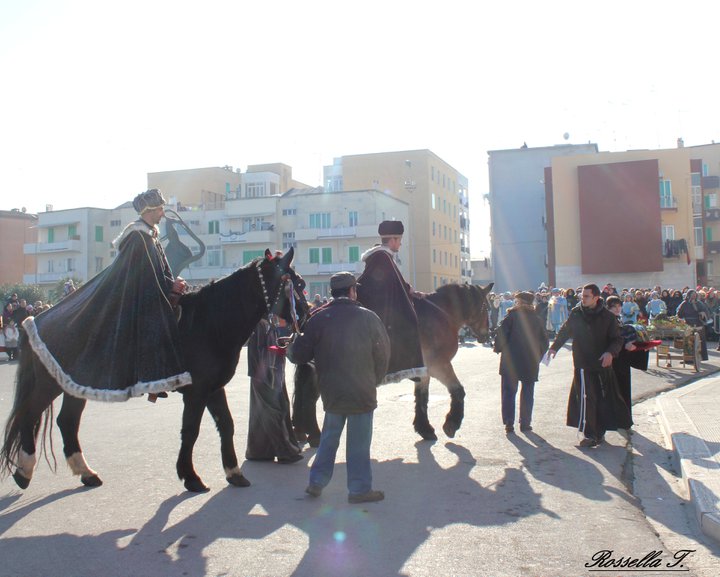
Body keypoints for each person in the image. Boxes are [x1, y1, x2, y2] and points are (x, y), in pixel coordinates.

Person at [23, 189, 192, 401]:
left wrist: (173, 283)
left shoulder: (150, 235)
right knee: (156, 323)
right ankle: (151, 378)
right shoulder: (138, 237)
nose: (162, 212)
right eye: (159, 208)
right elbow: (146, 275)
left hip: (148, 290)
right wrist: (170, 285)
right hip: (133, 297)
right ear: (149, 210)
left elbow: (159, 270)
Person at [288, 271, 390, 503]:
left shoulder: (319, 319)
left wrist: (292, 344)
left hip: (332, 392)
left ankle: (316, 483)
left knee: (328, 440)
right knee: (359, 444)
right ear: (353, 291)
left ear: (333, 293)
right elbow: (384, 352)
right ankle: (359, 489)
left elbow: (300, 355)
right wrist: (375, 379)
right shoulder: (369, 317)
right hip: (363, 392)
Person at [546, 284, 631, 448]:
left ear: (596, 297)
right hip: (583, 363)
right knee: (587, 398)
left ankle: (600, 432)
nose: (582, 299)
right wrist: (554, 347)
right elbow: (565, 331)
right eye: (582, 296)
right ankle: (591, 434)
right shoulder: (577, 313)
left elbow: (617, 339)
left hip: (602, 364)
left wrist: (610, 353)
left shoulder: (607, 317)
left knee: (603, 399)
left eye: (586, 296)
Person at [356, 220, 426, 383]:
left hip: (377, 302)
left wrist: (409, 290)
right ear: (393, 239)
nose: (400, 244)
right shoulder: (383, 257)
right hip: (379, 306)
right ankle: (406, 366)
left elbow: (395, 281)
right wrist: (409, 291)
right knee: (410, 319)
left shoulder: (381, 256)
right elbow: (395, 283)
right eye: (400, 240)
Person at [245, 315, 303, 463]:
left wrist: (280, 345)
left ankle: (259, 451)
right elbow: (259, 351)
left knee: (263, 412)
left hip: (269, 371)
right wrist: (279, 349)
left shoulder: (265, 322)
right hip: (265, 373)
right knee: (274, 410)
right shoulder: (260, 323)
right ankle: (285, 450)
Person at [493, 291, 548, 434]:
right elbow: (544, 341)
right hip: (530, 361)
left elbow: (501, 335)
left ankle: (509, 422)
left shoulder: (511, 317)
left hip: (511, 361)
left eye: (516, 301)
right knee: (528, 392)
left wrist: (498, 348)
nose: (514, 303)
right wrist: (538, 355)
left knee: (509, 392)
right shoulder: (537, 319)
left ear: (520, 302)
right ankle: (525, 423)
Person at [606, 296, 649, 426]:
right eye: (614, 307)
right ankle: (617, 420)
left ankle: (623, 420)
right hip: (613, 360)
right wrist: (625, 344)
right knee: (615, 391)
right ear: (608, 308)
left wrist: (640, 346)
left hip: (621, 360)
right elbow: (610, 340)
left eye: (619, 306)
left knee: (622, 390)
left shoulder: (617, 319)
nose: (617, 309)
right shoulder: (606, 321)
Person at [676, 289, 710, 360]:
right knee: (688, 341)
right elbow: (679, 314)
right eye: (692, 295)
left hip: (698, 323)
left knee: (700, 340)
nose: (693, 296)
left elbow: (706, 312)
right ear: (688, 296)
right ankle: (688, 358)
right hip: (688, 324)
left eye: (694, 295)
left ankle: (702, 356)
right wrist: (680, 319)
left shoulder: (699, 303)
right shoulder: (684, 303)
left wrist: (703, 313)